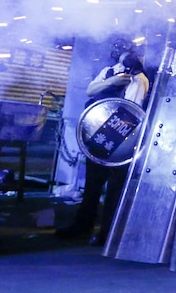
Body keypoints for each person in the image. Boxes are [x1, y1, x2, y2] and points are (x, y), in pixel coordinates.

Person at [56, 38, 149, 246]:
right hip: (99, 136)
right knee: (92, 187)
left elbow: (132, 109)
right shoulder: (108, 71)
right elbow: (91, 90)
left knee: (115, 192)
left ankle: (108, 233)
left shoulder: (140, 78)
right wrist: (112, 82)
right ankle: (82, 227)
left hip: (122, 142)